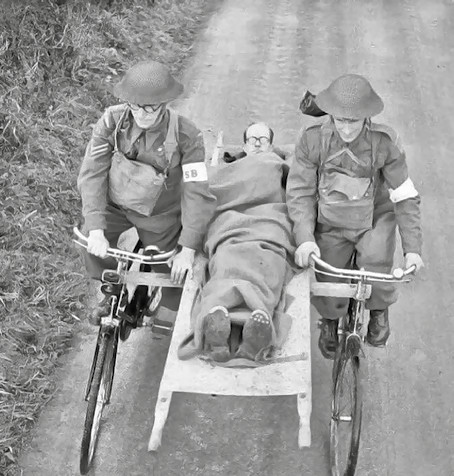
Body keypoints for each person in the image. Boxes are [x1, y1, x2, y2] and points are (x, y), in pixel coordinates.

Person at [286, 73, 424, 359]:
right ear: (330, 115)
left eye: (354, 121)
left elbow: (404, 195)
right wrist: (305, 238)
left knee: (376, 260)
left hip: (373, 218)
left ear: (367, 117)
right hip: (330, 219)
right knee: (327, 269)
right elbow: (300, 191)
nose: (347, 129)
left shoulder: (385, 142)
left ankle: (379, 310)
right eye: (340, 120)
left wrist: (413, 250)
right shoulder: (312, 139)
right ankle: (330, 319)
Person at [77, 60, 215, 323]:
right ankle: (111, 289)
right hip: (116, 206)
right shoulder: (112, 121)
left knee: (172, 268)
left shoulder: (187, 135)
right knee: (88, 243)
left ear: (164, 103)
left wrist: (188, 248)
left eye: (150, 108)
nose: (141, 114)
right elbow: (92, 172)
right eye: (135, 106)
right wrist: (95, 228)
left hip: (160, 214)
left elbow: (197, 192)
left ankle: (171, 311)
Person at [186, 122, 295, 362]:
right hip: (231, 227)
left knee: (268, 262)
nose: (257, 143)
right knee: (225, 260)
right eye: (252, 139)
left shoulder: (277, 164)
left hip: (269, 226)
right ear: (244, 146)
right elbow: (211, 193)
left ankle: (256, 326)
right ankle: (218, 323)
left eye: (263, 139)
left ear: (271, 146)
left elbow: (298, 196)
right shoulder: (229, 169)